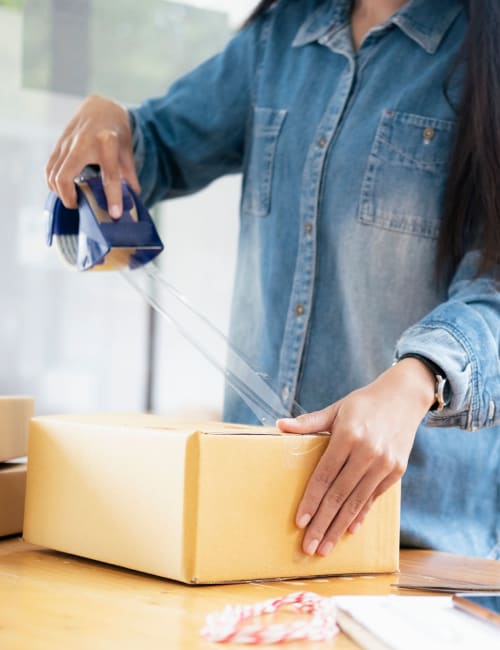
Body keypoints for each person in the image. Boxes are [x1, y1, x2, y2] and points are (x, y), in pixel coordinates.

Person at [45, 0, 500, 560]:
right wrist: (112, 130)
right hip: (250, 532)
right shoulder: (280, 37)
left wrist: (420, 377)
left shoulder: (483, 49)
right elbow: (155, 146)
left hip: (419, 547)